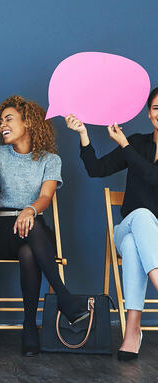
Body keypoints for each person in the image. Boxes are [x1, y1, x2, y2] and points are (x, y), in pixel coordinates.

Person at [0, 95, 89, 357]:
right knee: (32, 235)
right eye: (0, 121)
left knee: (30, 249)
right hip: (1, 232)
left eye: (9, 119)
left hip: (33, 229)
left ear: (28, 122)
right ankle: (65, 298)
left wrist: (29, 210)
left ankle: (29, 327)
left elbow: (45, 198)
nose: (2, 125)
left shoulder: (50, 160)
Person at [65, 87, 158, 361]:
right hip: (128, 224)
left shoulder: (132, 147)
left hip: (148, 239)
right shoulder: (139, 143)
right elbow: (96, 169)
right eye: (156, 108)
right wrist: (83, 134)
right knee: (139, 217)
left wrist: (125, 147)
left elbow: (153, 178)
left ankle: (132, 332)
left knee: (131, 247)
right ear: (149, 113)